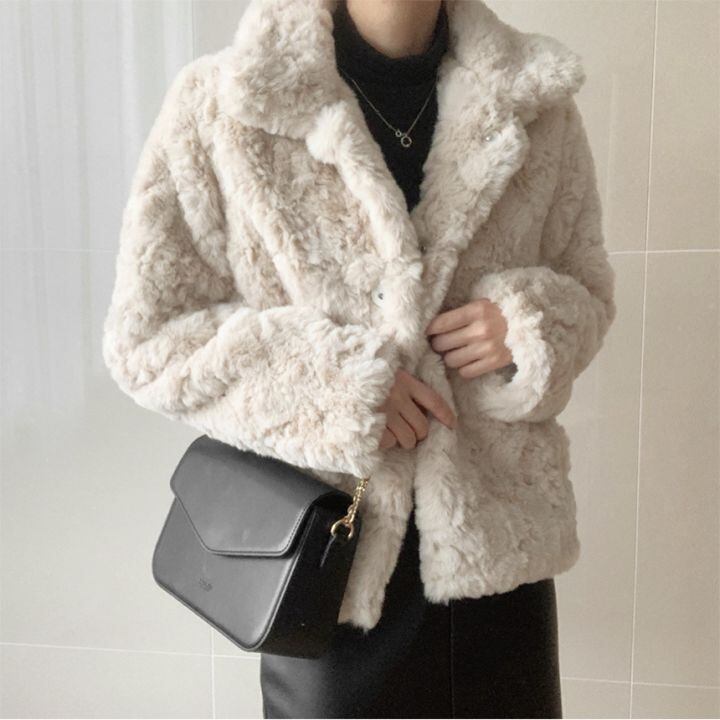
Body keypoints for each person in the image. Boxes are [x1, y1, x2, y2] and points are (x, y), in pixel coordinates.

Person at [102, 0, 616, 717]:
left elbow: (587, 291)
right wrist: (336, 387)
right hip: (327, 573)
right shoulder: (227, 102)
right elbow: (149, 337)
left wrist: (529, 325)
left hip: (499, 565)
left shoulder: (535, 100)